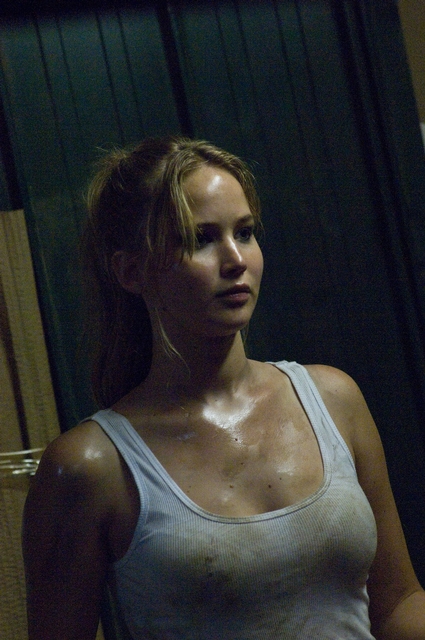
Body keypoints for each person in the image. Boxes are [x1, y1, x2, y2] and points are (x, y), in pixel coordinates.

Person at [23, 135, 425, 640]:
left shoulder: (332, 399)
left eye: (246, 232)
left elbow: (398, 603)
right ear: (131, 271)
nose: (236, 259)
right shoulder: (90, 466)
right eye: (201, 239)